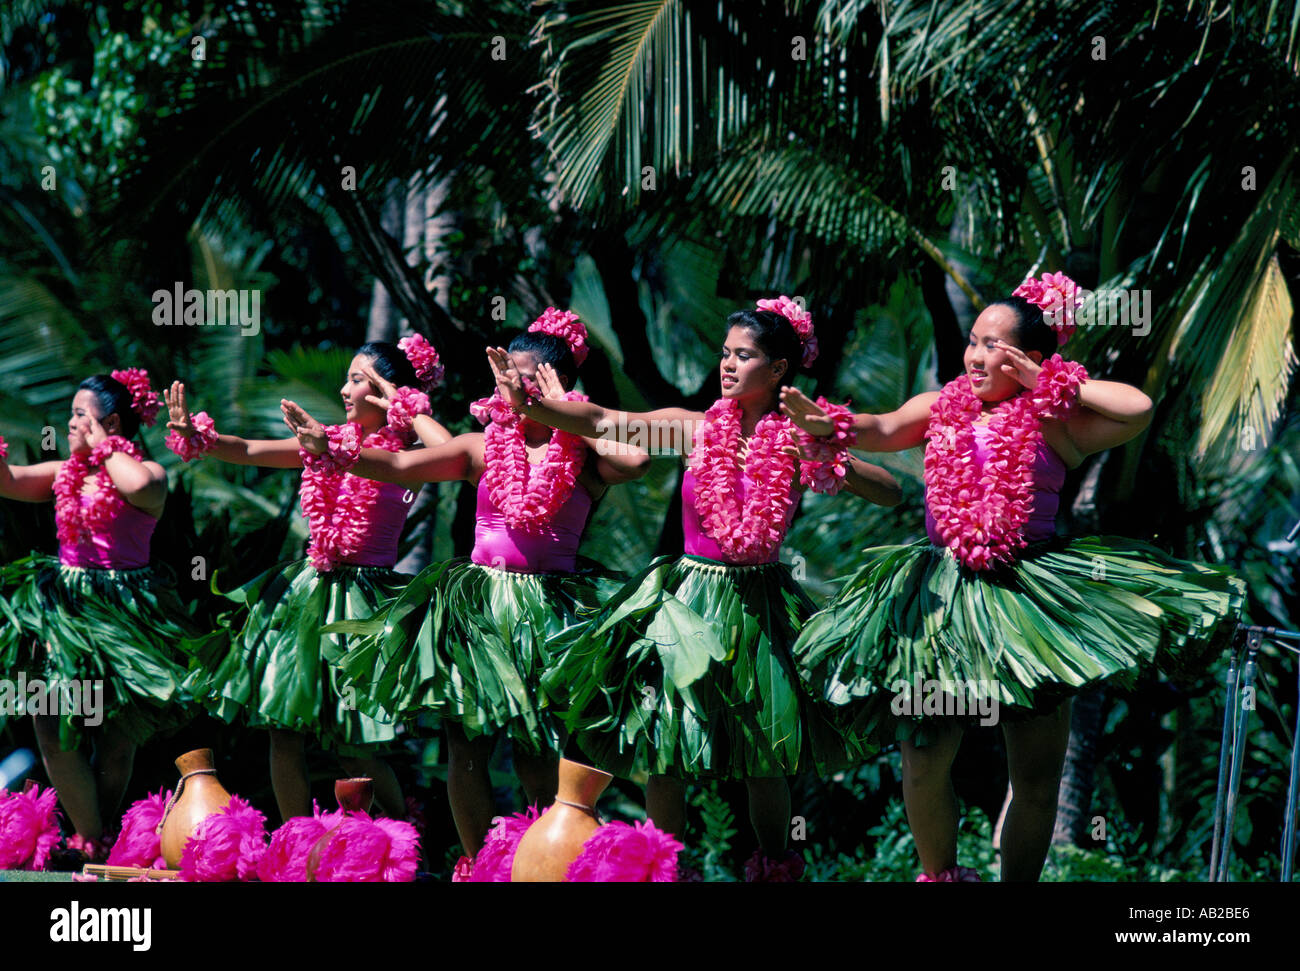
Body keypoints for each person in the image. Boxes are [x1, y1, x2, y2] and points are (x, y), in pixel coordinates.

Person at [782, 272, 1245, 881]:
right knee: (922, 753)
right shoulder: (942, 406)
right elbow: (883, 428)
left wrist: (1044, 381)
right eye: (973, 340)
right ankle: (940, 875)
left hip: (1030, 603)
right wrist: (828, 426)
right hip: (941, 599)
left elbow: (1137, 408)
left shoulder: (1058, 423)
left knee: (1033, 772)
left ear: (1027, 357)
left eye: (992, 345)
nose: (975, 355)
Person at [499, 297, 902, 880]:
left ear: (780, 369)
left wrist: (826, 450)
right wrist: (540, 403)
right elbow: (609, 424)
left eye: (745, 355)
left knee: (767, 757)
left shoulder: (794, 439)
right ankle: (663, 870)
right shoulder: (694, 429)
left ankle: (773, 870)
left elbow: (890, 491)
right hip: (685, 604)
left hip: (762, 606)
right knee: (668, 747)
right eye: (725, 353)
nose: (728, 365)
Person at [283, 310, 650, 868]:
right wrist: (335, 449)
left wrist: (567, 412)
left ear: (548, 384)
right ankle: (478, 865)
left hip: (549, 613)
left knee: (534, 748)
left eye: (518, 376)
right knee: (467, 746)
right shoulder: (483, 448)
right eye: (501, 375)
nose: (504, 386)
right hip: (477, 607)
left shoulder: (585, 456)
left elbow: (639, 457)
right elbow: (405, 463)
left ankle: (538, 863)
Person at [164, 338, 450, 822]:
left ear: (385, 388)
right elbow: (253, 448)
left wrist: (399, 401)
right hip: (309, 594)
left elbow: (454, 452)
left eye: (358, 379)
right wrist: (200, 435)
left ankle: (404, 841)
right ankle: (294, 842)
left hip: (366, 605)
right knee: (283, 730)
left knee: (354, 747)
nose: (344, 389)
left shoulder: (410, 453)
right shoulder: (324, 439)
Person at [0, 369, 192, 862]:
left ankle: (97, 840)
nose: (68, 425)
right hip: (65, 612)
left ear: (108, 422)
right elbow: (11, 482)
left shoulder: (149, 473)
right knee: (50, 721)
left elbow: (134, 485)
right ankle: (91, 837)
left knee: (117, 740)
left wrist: (106, 443)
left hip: (128, 612)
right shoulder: (67, 472)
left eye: (78, 415)